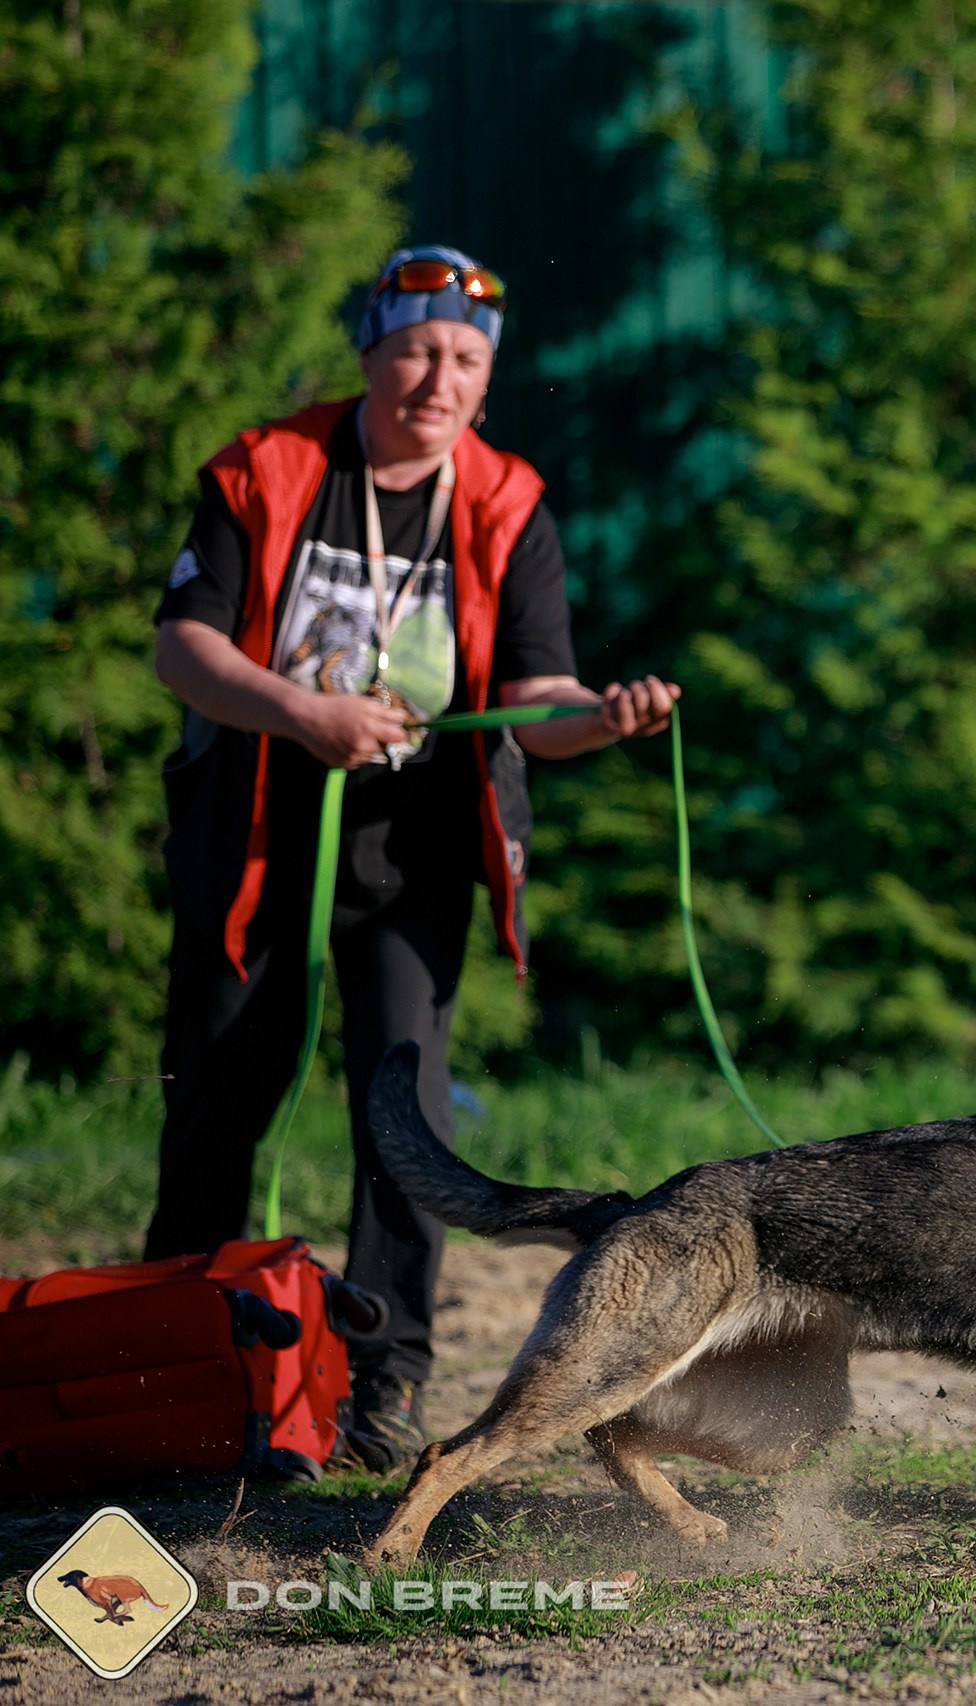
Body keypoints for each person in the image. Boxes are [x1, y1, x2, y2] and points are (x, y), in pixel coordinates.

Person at [146, 245, 681, 1473]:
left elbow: (538, 693)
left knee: (404, 1107)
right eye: (418, 348)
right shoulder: (268, 468)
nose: (438, 377)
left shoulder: (504, 497)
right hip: (259, 832)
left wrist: (596, 719)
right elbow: (181, 649)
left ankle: (380, 1383)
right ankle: (179, 1354)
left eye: (466, 360)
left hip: (419, 850)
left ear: (487, 383)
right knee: (223, 1092)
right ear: (372, 353)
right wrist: (299, 710)